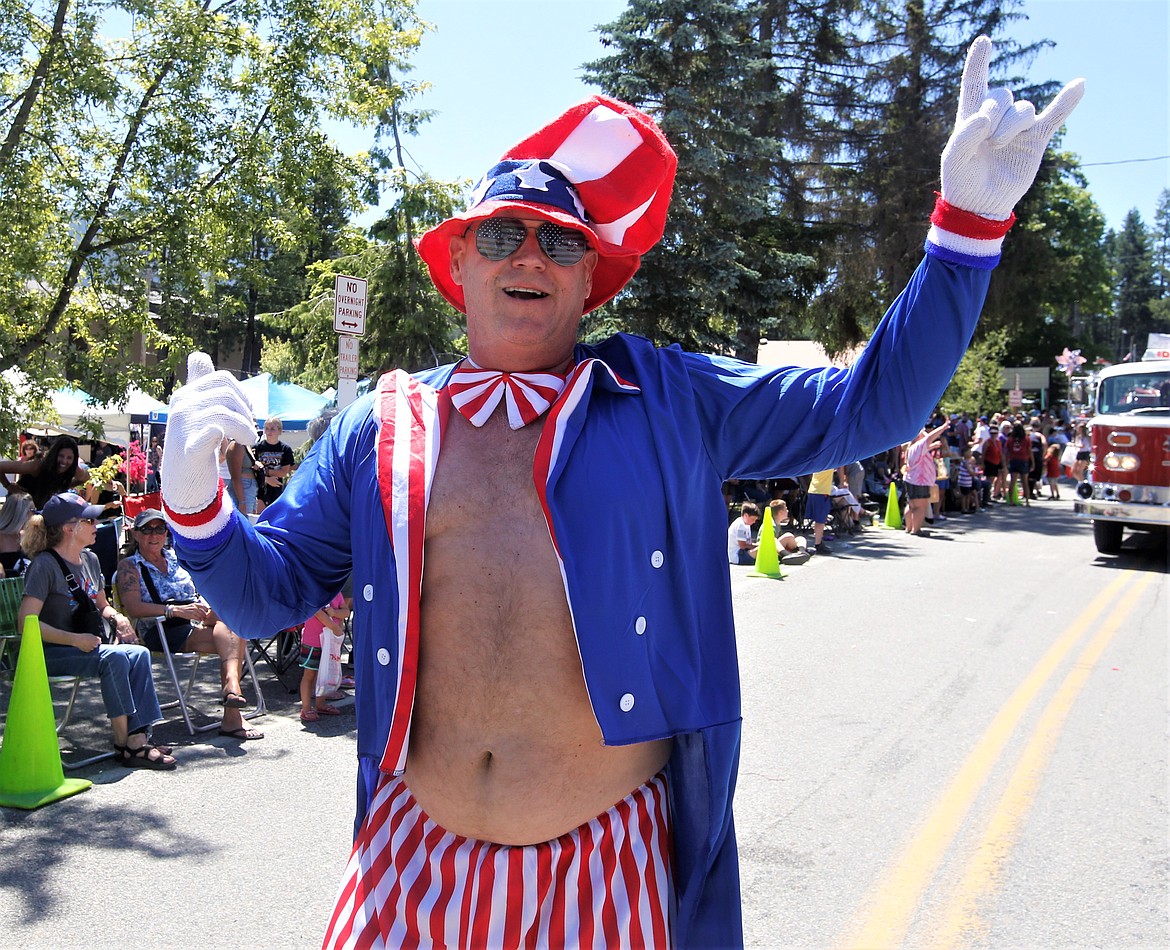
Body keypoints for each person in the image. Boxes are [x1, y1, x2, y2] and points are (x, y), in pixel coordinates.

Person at [156, 40, 1081, 948]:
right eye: (503, 234)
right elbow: (265, 592)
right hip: (411, 862)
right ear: (460, 266)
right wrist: (197, 505)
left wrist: (964, 231)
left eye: (561, 242)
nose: (531, 256)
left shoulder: (666, 398)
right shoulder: (381, 424)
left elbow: (870, 405)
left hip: (603, 871)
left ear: (592, 277)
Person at [17, 493, 176, 769]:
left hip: (87, 646)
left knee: (138, 653)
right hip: (50, 652)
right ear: (70, 528)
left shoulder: (89, 559)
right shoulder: (44, 565)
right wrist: (74, 640)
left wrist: (118, 618)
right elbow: (26, 622)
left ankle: (137, 738)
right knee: (114, 658)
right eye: (89, 520)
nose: (97, 524)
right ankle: (123, 744)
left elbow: (101, 605)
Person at [115, 508, 263, 741]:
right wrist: (175, 610)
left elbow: (201, 588)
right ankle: (232, 707)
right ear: (135, 534)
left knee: (233, 621)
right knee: (233, 636)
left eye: (160, 529)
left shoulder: (177, 557)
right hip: (161, 626)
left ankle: (232, 690)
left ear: (167, 533)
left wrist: (208, 606)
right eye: (147, 529)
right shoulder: (130, 566)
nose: (154, 535)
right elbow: (133, 608)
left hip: (195, 617)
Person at [299, 590, 351, 722]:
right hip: (313, 642)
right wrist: (335, 627)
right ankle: (306, 708)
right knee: (309, 675)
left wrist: (334, 613)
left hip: (330, 643)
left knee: (324, 675)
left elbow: (346, 611)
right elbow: (317, 613)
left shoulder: (336, 593)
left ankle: (320, 704)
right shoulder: (314, 592)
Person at [0, 435, 89, 507]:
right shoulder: (37, 465)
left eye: (69, 458)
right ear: (54, 454)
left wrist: (61, 486)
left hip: (38, 510)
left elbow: (86, 477)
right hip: (19, 508)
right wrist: (8, 485)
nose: (64, 461)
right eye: (61, 456)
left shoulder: (72, 467)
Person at [903, 421, 950, 535]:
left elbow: (923, 449)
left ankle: (908, 527)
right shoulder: (919, 446)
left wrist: (932, 446)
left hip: (911, 479)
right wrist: (943, 427)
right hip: (920, 481)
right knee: (920, 506)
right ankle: (916, 529)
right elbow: (929, 438)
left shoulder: (911, 448)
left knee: (911, 505)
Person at [253, 418, 294, 514]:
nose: (269, 431)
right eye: (266, 428)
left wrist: (264, 472)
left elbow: (284, 472)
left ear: (279, 431)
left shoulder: (285, 449)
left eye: (272, 429)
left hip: (277, 488)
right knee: (259, 516)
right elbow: (253, 470)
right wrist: (266, 479)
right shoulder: (257, 448)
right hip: (259, 489)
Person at [768, 499, 811, 564]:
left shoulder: (777, 523)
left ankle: (802, 553)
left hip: (779, 547)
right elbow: (764, 541)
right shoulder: (770, 524)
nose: (787, 511)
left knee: (800, 538)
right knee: (788, 535)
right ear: (780, 512)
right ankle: (787, 555)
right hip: (770, 548)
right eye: (785, 509)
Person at [1005, 422, 1032, 507]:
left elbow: (1007, 451)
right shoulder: (1026, 439)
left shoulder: (1010, 439)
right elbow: (1029, 451)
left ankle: (1011, 501)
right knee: (1025, 482)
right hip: (1023, 460)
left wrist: (1006, 462)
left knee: (1013, 481)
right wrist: (1032, 462)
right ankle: (1027, 501)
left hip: (1013, 460)